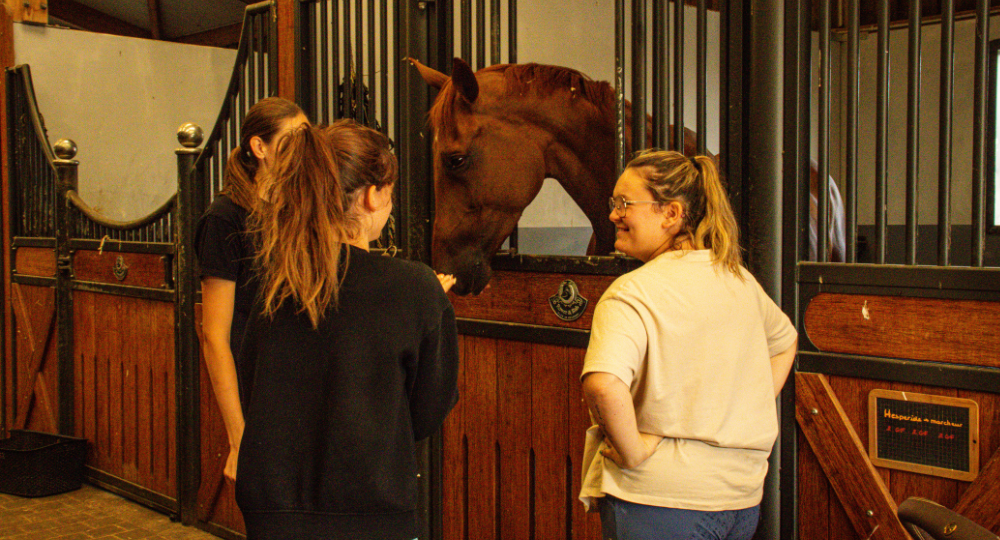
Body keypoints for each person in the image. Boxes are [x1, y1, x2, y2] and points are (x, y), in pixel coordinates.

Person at [234, 120, 459, 540]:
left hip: (272, 511)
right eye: (390, 193)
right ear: (374, 195)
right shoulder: (414, 286)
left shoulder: (275, 282)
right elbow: (430, 407)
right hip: (371, 511)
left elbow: (251, 382)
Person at [579, 150, 798, 540]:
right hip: (741, 500)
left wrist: (632, 452)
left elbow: (603, 384)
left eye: (624, 204)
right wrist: (750, 402)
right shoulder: (740, 281)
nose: (613, 214)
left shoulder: (632, 292)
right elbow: (785, 342)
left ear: (671, 214)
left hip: (660, 502)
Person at [195, 97, 309, 482]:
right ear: (259, 148)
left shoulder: (300, 212)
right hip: (259, 393)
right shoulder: (225, 219)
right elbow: (214, 335)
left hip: (302, 385)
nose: (304, 148)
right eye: (294, 138)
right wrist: (237, 435)